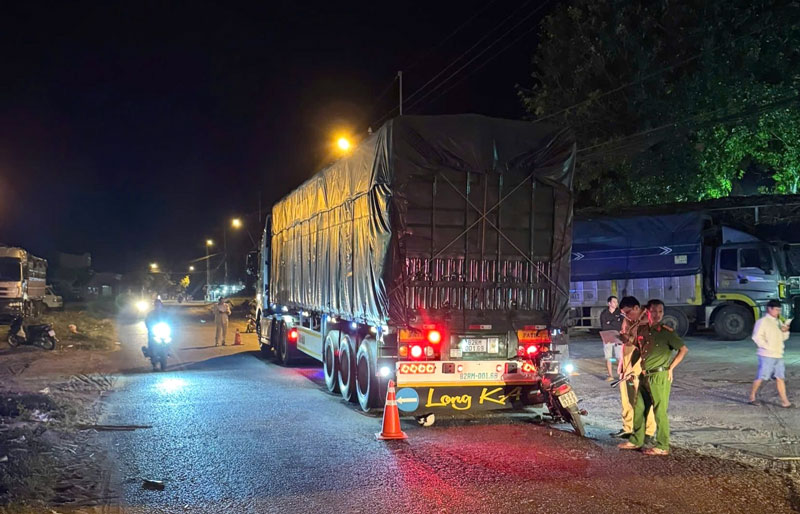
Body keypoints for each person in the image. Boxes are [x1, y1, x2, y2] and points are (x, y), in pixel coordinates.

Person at [619, 299, 689, 455]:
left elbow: (683, 350)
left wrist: (671, 368)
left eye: (660, 311)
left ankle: (663, 446)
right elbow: (638, 348)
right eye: (654, 311)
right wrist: (631, 367)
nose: (657, 315)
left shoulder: (666, 332)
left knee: (659, 411)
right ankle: (636, 441)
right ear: (647, 312)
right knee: (639, 408)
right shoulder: (643, 330)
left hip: (659, 375)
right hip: (645, 375)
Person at [612, 296, 656, 440]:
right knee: (626, 398)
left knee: (643, 399)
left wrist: (635, 369)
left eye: (628, 312)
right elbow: (629, 337)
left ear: (637, 308)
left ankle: (648, 432)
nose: (626, 316)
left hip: (640, 364)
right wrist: (624, 338)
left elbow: (646, 348)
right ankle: (628, 428)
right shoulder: (629, 320)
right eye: (623, 314)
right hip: (626, 362)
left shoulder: (648, 321)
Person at [749, 299, 792, 408]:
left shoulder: (778, 322)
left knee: (780, 377)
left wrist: (785, 331)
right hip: (766, 355)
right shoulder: (762, 322)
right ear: (770, 309)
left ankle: (785, 401)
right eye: (777, 310)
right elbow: (756, 337)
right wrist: (767, 347)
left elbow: (783, 338)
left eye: (779, 310)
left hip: (778, 354)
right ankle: (752, 397)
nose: (778, 312)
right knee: (762, 377)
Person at [599, 295, 623, 381]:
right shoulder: (604, 313)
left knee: (619, 357)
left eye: (616, 302)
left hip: (618, 337)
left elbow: (620, 325)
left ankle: (621, 374)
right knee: (608, 357)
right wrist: (613, 323)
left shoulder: (620, 313)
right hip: (607, 336)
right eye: (614, 302)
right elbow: (604, 326)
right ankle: (610, 375)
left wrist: (610, 323)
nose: (616, 303)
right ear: (609, 303)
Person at [144, 299, 171, 368]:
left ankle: (168, 350)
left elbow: (171, 321)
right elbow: (147, 321)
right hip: (154, 331)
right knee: (151, 340)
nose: (158, 306)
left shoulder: (165, 314)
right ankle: (150, 353)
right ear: (154, 306)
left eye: (159, 305)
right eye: (156, 305)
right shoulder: (151, 314)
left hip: (163, 331)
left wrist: (171, 326)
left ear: (161, 305)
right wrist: (149, 327)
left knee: (169, 339)